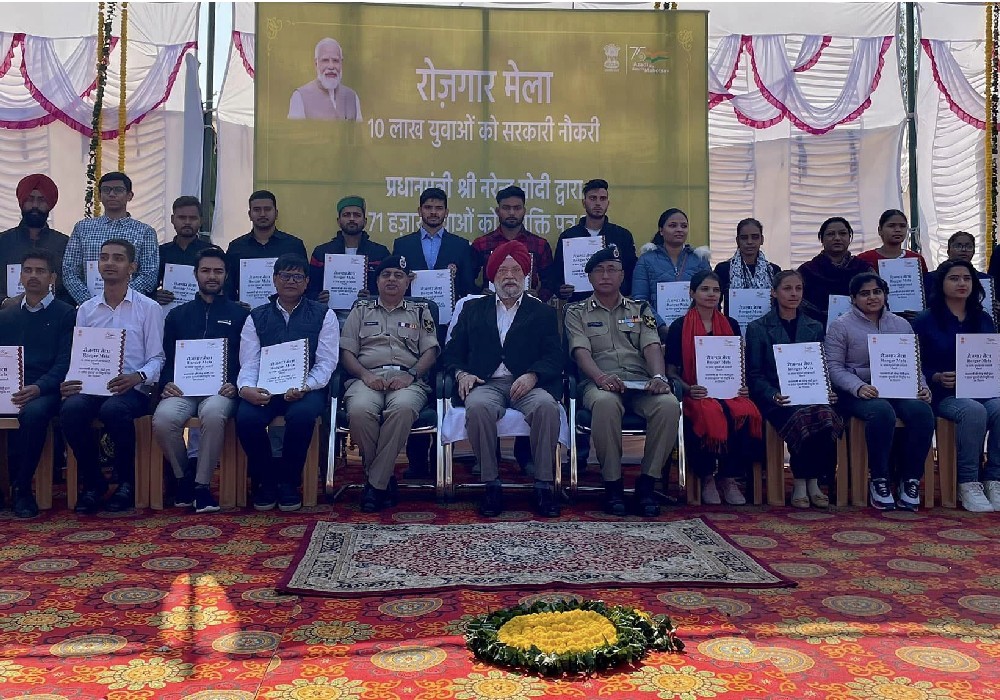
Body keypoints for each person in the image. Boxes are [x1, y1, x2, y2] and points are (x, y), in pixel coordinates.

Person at [443, 240, 563, 518]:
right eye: (502, 271)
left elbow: (555, 356)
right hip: (487, 383)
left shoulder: (542, 312)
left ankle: (543, 485)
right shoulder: (473, 309)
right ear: (492, 276)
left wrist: (534, 375)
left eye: (516, 271)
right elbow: (451, 353)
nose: (509, 276)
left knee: (546, 407)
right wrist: (462, 373)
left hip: (528, 383)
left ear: (526, 276)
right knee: (478, 407)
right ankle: (491, 484)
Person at [564, 245, 680, 517]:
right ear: (590, 277)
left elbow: (651, 345)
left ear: (622, 275)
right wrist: (601, 378)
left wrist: (659, 377)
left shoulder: (641, 309)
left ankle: (647, 484)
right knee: (605, 404)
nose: (606, 275)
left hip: (640, 383)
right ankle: (613, 485)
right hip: (597, 383)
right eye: (599, 270)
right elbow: (580, 351)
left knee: (669, 404)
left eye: (612, 270)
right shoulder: (576, 312)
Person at [60, 239, 165, 514]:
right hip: (93, 386)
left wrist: (137, 376)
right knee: (70, 409)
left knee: (114, 409)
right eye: (104, 258)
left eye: (118, 258)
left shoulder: (148, 308)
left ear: (132, 267)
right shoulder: (86, 309)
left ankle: (126, 482)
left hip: (133, 389)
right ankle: (94, 483)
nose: (109, 263)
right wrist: (71, 380)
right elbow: (79, 355)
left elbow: (158, 358)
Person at [236, 254, 339, 512]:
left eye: (297, 277)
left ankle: (289, 483)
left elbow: (326, 361)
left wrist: (306, 385)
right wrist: (246, 388)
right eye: (285, 276)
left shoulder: (324, 315)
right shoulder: (256, 316)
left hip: (306, 389)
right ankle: (267, 480)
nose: (290, 281)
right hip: (265, 389)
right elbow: (249, 361)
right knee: (246, 418)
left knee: (303, 416)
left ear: (306, 283)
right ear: (274, 280)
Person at [824, 272, 934, 511]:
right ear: (853, 298)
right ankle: (879, 480)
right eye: (864, 293)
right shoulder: (840, 326)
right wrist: (858, 386)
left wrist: (922, 388)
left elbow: (913, 363)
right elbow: (833, 367)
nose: (871, 297)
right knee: (882, 412)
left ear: (885, 295)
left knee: (922, 412)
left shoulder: (901, 324)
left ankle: (910, 480)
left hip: (898, 388)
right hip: (858, 394)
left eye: (876, 292)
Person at [152, 247, 249, 513]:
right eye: (206, 270)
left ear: (226, 276)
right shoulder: (177, 315)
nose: (212, 276)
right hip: (182, 390)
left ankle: (202, 487)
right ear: (196, 274)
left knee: (214, 414)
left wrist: (235, 382)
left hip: (221, 390)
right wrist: (166, 383)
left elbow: (248, 358)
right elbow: (164, 356)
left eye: (218, 271)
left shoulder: (240, 316)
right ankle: (184, 478)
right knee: (163, 420)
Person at [340, 255, 439, 512]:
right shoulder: (360, 310)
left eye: (398, 275)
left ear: (408, 282)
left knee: (403, 409)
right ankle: (383, 480)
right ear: (377, 281)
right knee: (360, 411)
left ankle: (375, 485)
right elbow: (347, 352)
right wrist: (365, 375)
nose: (392, 279)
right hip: (366, 377)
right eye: (386, 275)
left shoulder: (421, 311)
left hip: (407, 379)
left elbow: (430, 351)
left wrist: (412, 375)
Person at [745, 270, 844, 508]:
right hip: (778, 398)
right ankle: (801, 482)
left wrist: (826, 389)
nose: (793, 294)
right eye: (787, 288)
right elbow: (754, 374)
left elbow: (821, 367)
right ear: (774, 292)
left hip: (809, 393)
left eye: (798, 288)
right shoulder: (758, 328)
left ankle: (812, 481)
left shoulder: (815, 326)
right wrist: (772, 394)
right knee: (802, 416)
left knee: (825, 415)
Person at [665, 270, 761, 505]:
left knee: (744, 412)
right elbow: (670, 371)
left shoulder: (731, 324)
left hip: (729, 392)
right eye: (705, 289)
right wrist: (688, 388)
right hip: (696, 393)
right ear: (692, 293)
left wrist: (742, 386)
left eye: (715, 290)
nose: (710, 294)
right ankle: (707, 477)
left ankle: (729, 477)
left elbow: (739, 365)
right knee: (708, 412)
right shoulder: (679, 327)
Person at [913, 260, 1000, 512]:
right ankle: (968, 480)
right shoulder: (924, 321)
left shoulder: (983, 319)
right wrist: (936, 376)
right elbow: (913, 364)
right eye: (954, 278)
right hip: (943, 394)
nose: (962, 283)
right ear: (941, 284)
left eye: (967, 278)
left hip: (981, 390)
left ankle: (994, 478)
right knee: (973, 411)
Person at [0, 250, 74, 517]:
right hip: (8, 388)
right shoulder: (6, 314)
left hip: (47, 391)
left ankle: (22, 489)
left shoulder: (66, 313)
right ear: (20, 276)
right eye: (28, 270)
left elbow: (65, 363)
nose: (33, 276)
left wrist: (39, 387)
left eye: (40, 271)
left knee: (32, 414)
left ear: (52, 277)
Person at [63, 172, 159, 304]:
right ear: (99, 196)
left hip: (130, 307)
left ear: (130, 196)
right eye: (106, 190)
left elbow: (148, 274)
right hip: (88, 307)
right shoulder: (82, 228)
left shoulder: (145, 232)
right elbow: (70, 271)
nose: (112, 194)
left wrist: (120, 300)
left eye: (118, 190)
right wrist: (90, 303)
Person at [545, 178, 637, 303]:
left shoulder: (622, 236)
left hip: (614, 305)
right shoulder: (568, 237)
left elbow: (632, 273)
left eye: (602, 199)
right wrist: (560, 289)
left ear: (608, 203)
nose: (598, 203)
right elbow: (555, 276)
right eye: (593, 198)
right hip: (578, 306)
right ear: (584, 202)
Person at [632, 208, 712, 342]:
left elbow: (711, 295)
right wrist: (660, 326)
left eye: (684, 226)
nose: (679, 229)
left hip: (697, 330)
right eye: (673, 225)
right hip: (655, 333)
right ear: (661, 230)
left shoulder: (699, 259)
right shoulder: (646, 260)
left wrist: (698, 324)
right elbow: (639, 300)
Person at [307, 195, 389, 321]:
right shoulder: (321, 253)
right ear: (338, 221)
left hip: (370, 319)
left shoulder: (380, 253)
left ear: (365, 221)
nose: (351, 219)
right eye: (346, 215)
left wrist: (372, 297)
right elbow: (309, 288)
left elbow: (389, 290)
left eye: (356, 215)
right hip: (328, 320)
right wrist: (318, 298)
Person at [391, 187, 476, 301]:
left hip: (449, 314)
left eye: (439, 208)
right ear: (419, 211)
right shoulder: (402, 245)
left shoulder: (461, 245)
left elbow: (467, 287)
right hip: (411, 313)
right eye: (428, 207)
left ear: (446, 213)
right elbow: (394, 282)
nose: (433, 212)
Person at [471, 185, 553, 300]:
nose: (511, 213)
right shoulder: (481, 243)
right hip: (490, 310)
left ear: (524, 211)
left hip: (528, 312)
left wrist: (537, 297)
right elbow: (467, 280)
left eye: (517, 208)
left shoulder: (539, 244)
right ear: (497, 211)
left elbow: (550, 282)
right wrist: (480, 294)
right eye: (506, 208)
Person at [225, 191, 308, 304]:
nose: (262, 214)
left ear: (276, 213)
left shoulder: (294, 245)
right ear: (249, 214)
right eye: (257, 210)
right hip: (245, 314)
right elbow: (228, 286)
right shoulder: (236, 247)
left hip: (287, 313)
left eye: (267, 209)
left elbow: (305, 282)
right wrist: (234, 305)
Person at [0, 174, 70, 305]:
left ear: (50, 204)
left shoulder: (64, 244)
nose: (35, 205)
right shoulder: (3, 242)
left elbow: (70, 286)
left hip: (53, 319)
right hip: (6, 318)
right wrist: (4, 302)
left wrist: (54, 306)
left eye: (41, 200)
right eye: (30, 199)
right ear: (21, 202)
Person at [797, 216, 873, 326]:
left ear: (850, 237)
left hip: (859, 327)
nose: (837, 238)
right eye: (830, 234)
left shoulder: (863, 269)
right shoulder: (807, 271)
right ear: (821, 239)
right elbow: (799, 302)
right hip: (815, 329)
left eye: (842, 233)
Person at [155, 196, 212, 308]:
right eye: (182, 217)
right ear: (172, 219)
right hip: (169, 314)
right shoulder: (160, 252)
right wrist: (154, 295)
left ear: (201, 220)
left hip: (204, 313)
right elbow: (150, 285)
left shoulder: (212, 253)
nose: (187, 222)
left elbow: (223, 288)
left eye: (192, 218)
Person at [714, 218, 781, 313]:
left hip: (767, 326)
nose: (750, 242)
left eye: (755, 237)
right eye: (744, 237)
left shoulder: (774, 270)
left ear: (762, 240)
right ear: (737, 241)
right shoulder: (723, 269)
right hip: (732, 326)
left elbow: (780, 304)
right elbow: (714, 303)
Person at [288, 37, 362, 121]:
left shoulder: (352, 97)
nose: (331, 66)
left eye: (335, 60)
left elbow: (359, 133)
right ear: (316, 64)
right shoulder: (300, 97)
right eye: (325, 60)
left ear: (341, 64)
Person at [856, 209, 929, 276]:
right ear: (880, 230)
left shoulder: (917, 259)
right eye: (891, 226)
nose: (898, 230)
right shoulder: (863, 259)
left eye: (902, 226)